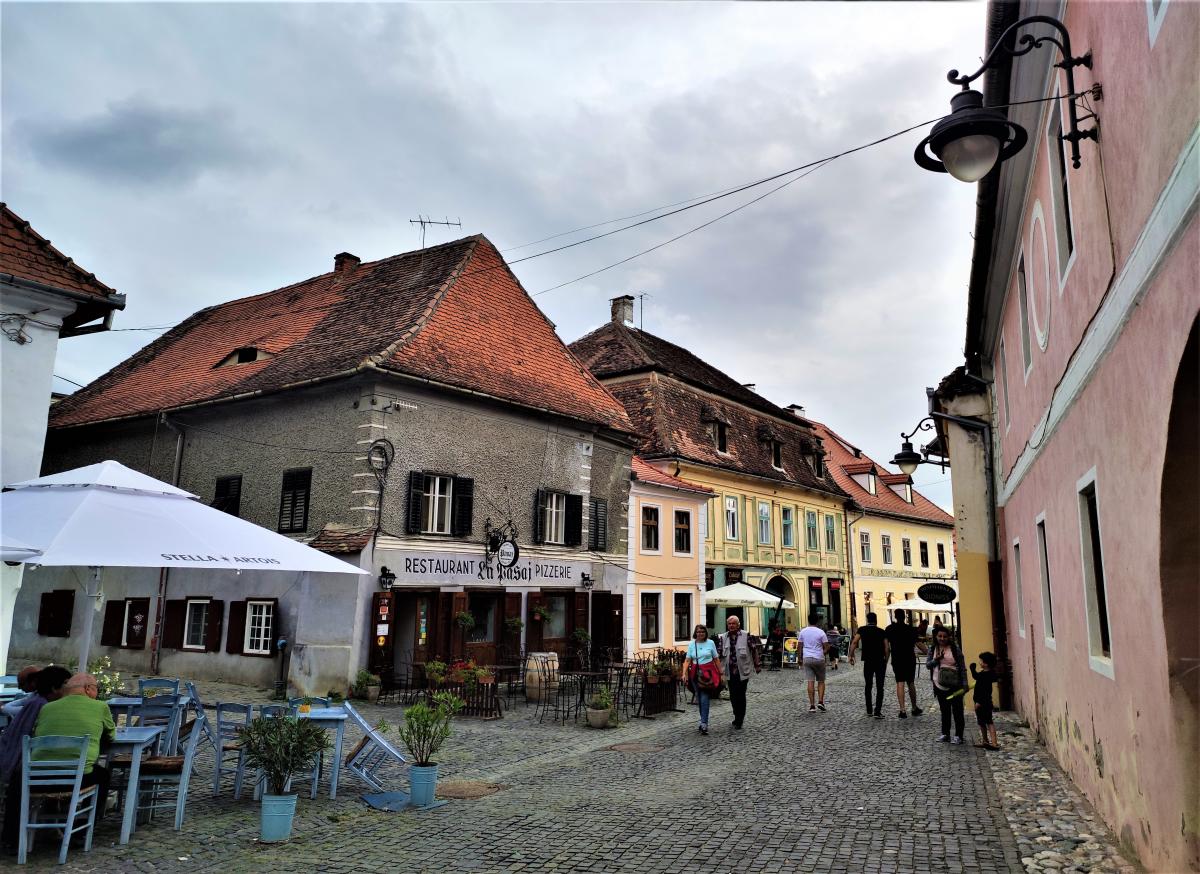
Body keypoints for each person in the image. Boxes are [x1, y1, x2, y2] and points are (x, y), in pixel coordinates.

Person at [2, 673, 115, 852]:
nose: (97, 693)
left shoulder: (47, 708)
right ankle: (80, 830)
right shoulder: (100, 707)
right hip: (76, 777)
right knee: (103, 775)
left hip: (37, 778)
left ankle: (11, 838)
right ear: (87, 689)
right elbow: (111, 735)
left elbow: (38, 733)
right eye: (96, 689)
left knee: (19, 778)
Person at [0, 666, 71, 781]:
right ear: (54, 688)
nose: (70, 689)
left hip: (28, 766)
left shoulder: (37, 701)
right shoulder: (43, 705)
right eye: (66, 685)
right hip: (40, 768)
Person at [717, 614, 762, 730]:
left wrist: (757, 665)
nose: (731, 626)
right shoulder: (723, 637)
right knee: (733, 695)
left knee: (741, 694)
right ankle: (736, 714)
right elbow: (719, 654)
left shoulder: (746, 635)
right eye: (729, 624)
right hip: (729, 671)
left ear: (738, 625)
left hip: (743, 670)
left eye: (733, 624)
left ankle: (740, 718)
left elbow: (754, 650)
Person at [926, 628, 968, 744]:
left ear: (949, 637)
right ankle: (945, 734)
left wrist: (965, 684)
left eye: (945, 636)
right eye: (940, 636)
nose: (942, 639)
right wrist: (936, 660)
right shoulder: (933, 648)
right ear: (936, 637)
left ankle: (959, 735)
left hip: (955, 684)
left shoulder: (955, 649)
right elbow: (928, 665)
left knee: (957, 710)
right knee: (944, 710)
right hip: (939, 684)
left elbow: (962, 667)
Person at [885, 609, 926, 719]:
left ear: (895, 616)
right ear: (904, 617)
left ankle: (902, 710)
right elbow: (919, 644)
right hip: (909, 659)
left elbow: (887, 648)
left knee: (900, 682)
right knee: (911, 682)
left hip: (897, 659)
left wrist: (885, 662)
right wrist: (930, 653)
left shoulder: (889, 629)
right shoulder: (911, 630)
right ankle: (914, 708)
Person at [848, 612, 890, 718]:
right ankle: (877, 711)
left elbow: (854, 642)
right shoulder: (882, 631)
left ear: (867, 620)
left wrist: (851, 655)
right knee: (880, 686)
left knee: (868, 685)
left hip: (868, 661)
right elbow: (887, 648)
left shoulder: (862, 630)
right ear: (876, 620)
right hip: (880, 661)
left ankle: (869, 710)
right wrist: (886, 660)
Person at [681, 624, 720, 735]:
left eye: (702, 631)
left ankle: (704, 723)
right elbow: (687, 660)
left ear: (705, 633)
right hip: (695, 674)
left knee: (704, 698)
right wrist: (684, 673)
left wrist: (721, 673)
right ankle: (703, 721)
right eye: (698, 632)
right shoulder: (692, 644)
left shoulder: (711, 643)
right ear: (695, 633)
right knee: (699, 697)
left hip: (708, 674)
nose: (700, 633)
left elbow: (716, 659)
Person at [799, 614, 830, 712]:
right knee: (821, 681)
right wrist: (822, 653)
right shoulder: (821, 632)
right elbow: (827, 646)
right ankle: (820, 701)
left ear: (808, 620)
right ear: (817, 621)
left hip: (807, 658)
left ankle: (812, 706)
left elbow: (799, 646)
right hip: (818, 658)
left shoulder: (803, 631)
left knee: (810, 681)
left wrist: (799, 658)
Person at [971, 652, 1000, 750]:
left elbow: (984, 691)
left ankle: (994, 743)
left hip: (983, 702)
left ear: (986, 664)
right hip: (983, 701)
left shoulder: (986, 675)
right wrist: (973, 670)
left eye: (981, 661)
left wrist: (979, 702)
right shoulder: (987, 673)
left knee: (988, 722)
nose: (980, 662)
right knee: (981, 722)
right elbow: (977, 677)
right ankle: (985, 741)